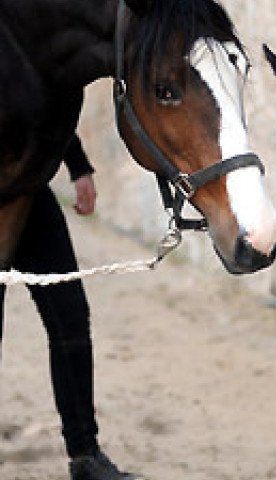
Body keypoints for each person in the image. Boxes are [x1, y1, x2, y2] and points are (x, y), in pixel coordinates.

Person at [0, 136, 142, 480]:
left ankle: (85, 456)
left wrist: (77, 166)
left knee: (71, 319)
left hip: (29, 193)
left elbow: (46, 94)